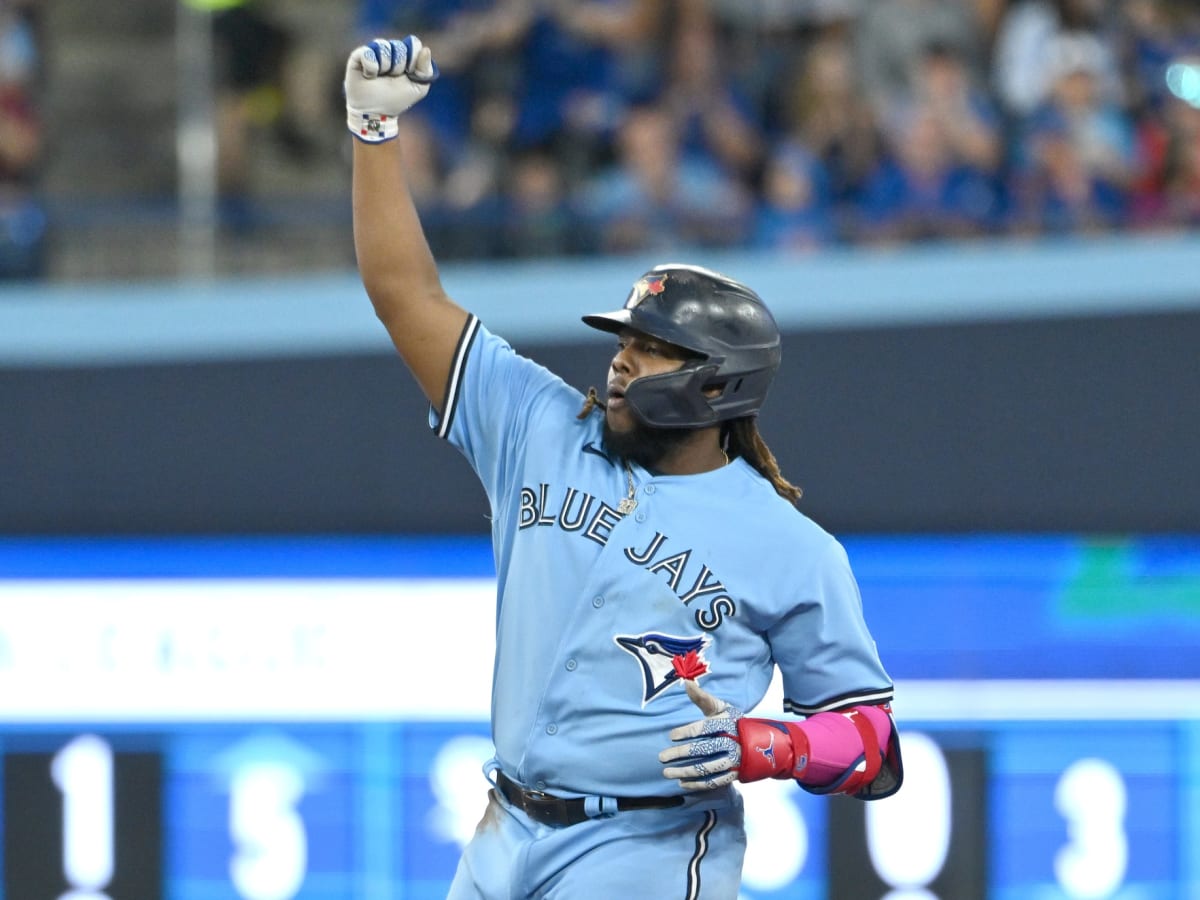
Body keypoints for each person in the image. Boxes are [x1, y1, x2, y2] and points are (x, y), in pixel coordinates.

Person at [344, 36, 903, 897]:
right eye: (625, 343)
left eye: (652, 350)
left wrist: (774, 747)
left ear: (717, 383)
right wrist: (374, 129)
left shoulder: (790, 546)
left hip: (645, 850)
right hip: (504, 831)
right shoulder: (537, 424)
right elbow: (403, 293)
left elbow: (871, 741)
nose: (621, 362)